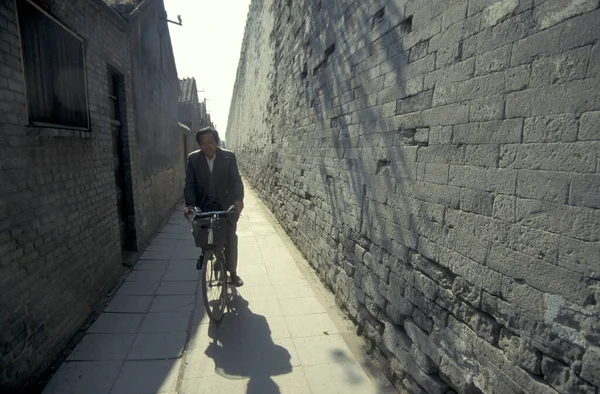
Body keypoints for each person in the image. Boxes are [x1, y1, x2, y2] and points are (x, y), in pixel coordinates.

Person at [184, 127, 245, 287]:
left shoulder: (228, 157)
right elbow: (189, 184)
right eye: (203, 143)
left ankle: (232, 273)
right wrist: (190, 205)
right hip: (204, 205)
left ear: (216, 142)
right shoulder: (193, 159)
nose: (207, 146)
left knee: (230, 238)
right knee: (202, 233)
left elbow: (236, 180)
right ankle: (206, 252)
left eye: (210, 142)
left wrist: (238, 200)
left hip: (226, 205)